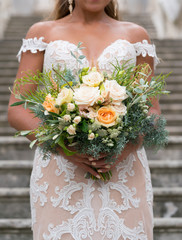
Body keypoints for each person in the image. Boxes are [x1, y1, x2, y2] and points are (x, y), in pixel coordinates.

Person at [8, 0, 161, 239]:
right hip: (61, 174)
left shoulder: (137, 36)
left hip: (124, 171)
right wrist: (65, 150)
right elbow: (17, 109)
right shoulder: (41, 33)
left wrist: (123, 148)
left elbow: (151, 111)